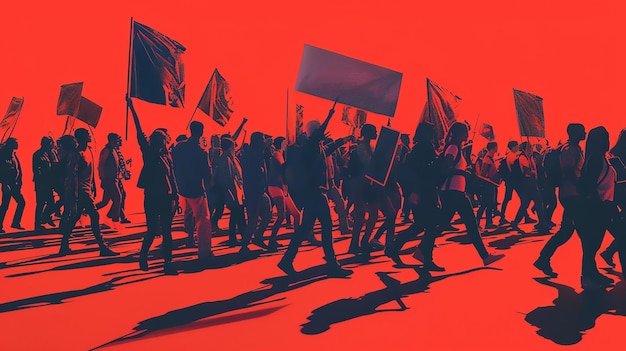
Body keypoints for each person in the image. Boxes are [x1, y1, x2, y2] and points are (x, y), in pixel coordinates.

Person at [415, 122, 504, 267]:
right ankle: (485, 257)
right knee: (467, 225)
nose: (468, 134)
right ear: (459, 133)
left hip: (456, 191)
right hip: (453, 191)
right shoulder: (453, 147)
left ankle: (422, 250)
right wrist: (462, 173)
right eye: (465, 132)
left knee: (449, 224)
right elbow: (446, 167)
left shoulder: (456, 148)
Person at [278, 105, 352, 277]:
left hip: (313, 194)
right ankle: (332, 265)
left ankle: (286, 261)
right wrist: (330, 115)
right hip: (315, 193)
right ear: (316, 132)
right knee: (327, 226)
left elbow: (329, 149)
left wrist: (342, 140)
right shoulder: (310, 147)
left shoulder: (316, 148)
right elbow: (319, 137)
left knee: (304, 229)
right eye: (321, 131)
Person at [127, 97, 178, 274]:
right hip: (152, 197)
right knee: (151, 231)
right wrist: (132, 108)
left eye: (163, 140)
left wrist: (176, 197)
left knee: (167, 231)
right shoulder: (149, 155)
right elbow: (139, 131)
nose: (162, 143)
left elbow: (172, 178)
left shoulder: (167, 157)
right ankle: (143, 254)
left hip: (167, 197)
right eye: (159, 140)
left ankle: (168, 263)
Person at [534, 123, 586, 277]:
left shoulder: (571, 148)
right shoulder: (570, 149)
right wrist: (582, 187)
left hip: (569, 194)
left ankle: (543, 258)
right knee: (584, 232)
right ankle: (590, 270)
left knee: (567, 231)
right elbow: (569, 171)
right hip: (572, 195)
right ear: (575, 133)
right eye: (582, 130)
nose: (585, 132)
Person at [58, 129, 118, 257]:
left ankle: (64, 245)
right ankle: (102, 247)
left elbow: (91, 171)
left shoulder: (89, 150)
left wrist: (94, 186)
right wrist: (74, 194)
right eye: (88, 135)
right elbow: (71, 174)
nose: (90, 136)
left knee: (75, 217)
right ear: (82, 137)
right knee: (94, 215)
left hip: (87, 188)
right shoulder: (76, 154)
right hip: (80, 190)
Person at [575, 127, 618, 289]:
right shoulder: (595, 160)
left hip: (603, 207)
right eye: (606, 137)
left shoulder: (599, 158)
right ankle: (587, 277)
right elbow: (588, 186)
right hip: (598, 208)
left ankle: (592, 273)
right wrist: (599, 203)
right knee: (592, 244)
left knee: (592, 243)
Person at [172, 121, 213, 259]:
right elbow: (207, 174)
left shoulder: (179, 147)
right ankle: (204, 251)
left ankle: (190, 238)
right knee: (203, 221)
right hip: (196, 189)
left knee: (188, 215)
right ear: (201, 132)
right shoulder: (201, 152)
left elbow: (174, 166)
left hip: (181, 188)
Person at [267, 136, 302, 251]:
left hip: (281, 188)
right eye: (285, 143)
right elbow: (281, 171)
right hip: (276, 187)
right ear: (281, 143)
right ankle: (271, 242)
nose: (286, 145)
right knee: (281, 215)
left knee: (297, 215)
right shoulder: (277, 154)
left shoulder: (280, 154)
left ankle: (296, 240)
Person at [510, 141, 549, 232]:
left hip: (532, 183)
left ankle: (541, 223)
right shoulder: (523, 158)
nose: (531, 149)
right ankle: (542, 223)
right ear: (524, 149)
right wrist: (535, 172)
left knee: (536, 203)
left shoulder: (530, 157)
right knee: (529, 203)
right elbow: (527, 172)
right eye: (529, 147)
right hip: (527, 184)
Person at [214, 137, 246, 246]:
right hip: (232, 190)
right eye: (233, 146)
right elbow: (226, 178)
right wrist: (230, 192)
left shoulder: (231, 158)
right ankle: (234, 237)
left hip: (237, 190)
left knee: (238, 214)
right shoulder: (225, 159)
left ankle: (242, 235)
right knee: (236, 214)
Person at [95, 133, 124, 229]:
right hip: (109, 180)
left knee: (105, 202)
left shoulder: (114, 150)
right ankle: (114, 221)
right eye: (117, 140)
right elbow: (101, 165)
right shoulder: (106, 151)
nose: (119, 142)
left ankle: (86, 211)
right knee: (118, 198)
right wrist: (102, 178)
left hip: (114, 179)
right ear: (112, 140)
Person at [0, 137, 25, 233]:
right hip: (7, 184)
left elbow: (18, 169)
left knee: (21, 202)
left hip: (15, 184)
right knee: (5, 205)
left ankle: (15, 223)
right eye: (15, 143)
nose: (17, 144)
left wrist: (19, 181)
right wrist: (4, 183)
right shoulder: (3, 155)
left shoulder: (14, 155)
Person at [32, 136, 56, 231]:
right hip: (41, 183)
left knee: (51, 202)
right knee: (40, 203)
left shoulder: (48, 154)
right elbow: (36, 169)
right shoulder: (38, 154)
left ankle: (45, 218)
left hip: (48, 183)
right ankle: (38, 224)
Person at [475, 141, 500, 229]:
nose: (497, 148)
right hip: (487, 185)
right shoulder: (487, 159)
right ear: (493, 148)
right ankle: (476, 223)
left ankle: (488, 222)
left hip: (491, 184)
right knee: (485, 204)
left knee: (490, 204)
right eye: (496, 147)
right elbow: (483, 173)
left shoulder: (491, 158)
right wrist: (488, 179)